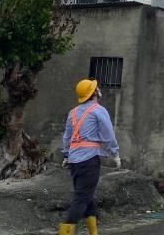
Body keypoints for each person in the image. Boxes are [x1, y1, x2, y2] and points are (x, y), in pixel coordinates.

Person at [58, 79, 121, 235]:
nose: (98, 89)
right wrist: (114, 153)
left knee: (87, 196)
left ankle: (94, 232)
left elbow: (67, 137)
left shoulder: (73, 112)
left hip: (74, 160)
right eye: (96, 88)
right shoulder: (98, 110)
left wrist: (66, 155)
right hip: (89, 160)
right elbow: (108, 134)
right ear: (93, 93)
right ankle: (65, 231)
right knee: (82, 198)